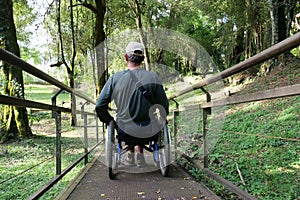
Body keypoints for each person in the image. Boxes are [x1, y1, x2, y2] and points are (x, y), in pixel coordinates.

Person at [95, 41, 169, 167]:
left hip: (125, 130)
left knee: (127, 117)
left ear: (126, 57)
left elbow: (99, 106)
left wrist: (109, 120)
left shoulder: (115, 78)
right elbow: (164, 105)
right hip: (148, 130)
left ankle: (130, 156)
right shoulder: (153, 77)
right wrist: (162, 118)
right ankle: (140, 156)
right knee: (146, 115)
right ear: (143, 59)